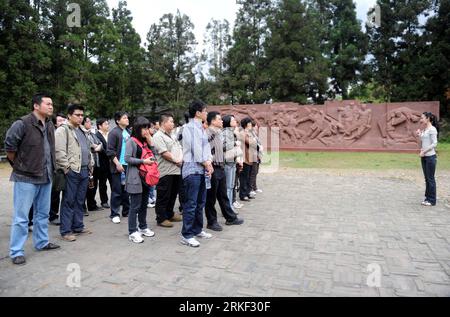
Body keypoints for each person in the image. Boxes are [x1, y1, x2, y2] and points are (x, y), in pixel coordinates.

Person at [5, 93, 61, 265]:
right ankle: (16, 251)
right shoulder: (22, 124)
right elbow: (10, 147)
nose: (51, 107)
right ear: (36, 106)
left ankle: (42, 242)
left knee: (42, 214)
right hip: (26, 177)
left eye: (52, 104)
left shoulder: (50, 124)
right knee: (22, 218)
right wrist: (21, 165)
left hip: (46, 176)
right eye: (48, 104)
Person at [55, 104, 94, 242]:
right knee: (68, 201)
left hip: (84, 170)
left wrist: (90, 165)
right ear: (69, 115)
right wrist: (67, 169)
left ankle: (78, 226)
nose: (80, 117)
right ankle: (66, 230)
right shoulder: (63, 130)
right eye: (77, 115)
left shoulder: (83, 130)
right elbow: (59, 152)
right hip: (72, 171)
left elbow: (87, 149)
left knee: (79, 201)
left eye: (82, 115)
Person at [180, 100, 214, 247]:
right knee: (191, 203)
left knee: (200, 202)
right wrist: (206, 163)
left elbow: (206, 149)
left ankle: (197, 229)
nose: (206, 113)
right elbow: (196, 149)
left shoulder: (201, 129)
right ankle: (187, 234)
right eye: (205, 111)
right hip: (192, 169)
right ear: (198, 113)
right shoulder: (188, 128)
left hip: (202, 169)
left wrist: (209, 162)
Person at [205, 112, 244, 231]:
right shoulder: (208, 134)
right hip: (212, 167)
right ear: (212, 121)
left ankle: (230, 217)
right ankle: (211, 222)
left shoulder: (219, 133)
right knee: (211, 197)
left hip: (220, 166)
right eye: (219, 119)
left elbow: (223, 148)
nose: (222, 121)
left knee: (223, 195)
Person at [125, 117, 156, 243]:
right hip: (135, 178)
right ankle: (132, 231)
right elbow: (127, 159)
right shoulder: (131, 141)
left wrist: (151, 142)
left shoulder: (146, 141)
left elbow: (154, 156)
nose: (146, 131)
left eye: (148, 128)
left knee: (144, 205)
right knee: (135, 206)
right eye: (144, 128)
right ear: (138, 129)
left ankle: (143, 227)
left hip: (146, 178)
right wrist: (143, 161)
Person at [153, 114, 183, 228]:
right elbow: (164, 153)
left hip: (176, 170)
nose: (173, 123)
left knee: (173, 194)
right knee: (163, 195)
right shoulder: (158, 136)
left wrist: (180, 159)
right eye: (170, 121)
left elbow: (179, 148)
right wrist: (177, 161)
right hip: (165, 171)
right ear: (163, 123)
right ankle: (161, 218)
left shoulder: (173, 135)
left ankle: (169, 214)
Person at [107, 111, 131, 224]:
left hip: (128, 165)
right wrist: (117, 164)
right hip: (117, 165)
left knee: (127, 190)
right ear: (118, 120)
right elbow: (110, 151)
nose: (127, 119)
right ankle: (114, 214)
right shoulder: (114, 133)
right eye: (124, 118)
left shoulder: (128, 132)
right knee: (117, 190)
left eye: (127, 117)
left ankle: (127, 211)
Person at [222, 115, 244, 213]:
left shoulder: (231, 132)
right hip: (228, 162)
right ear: (228, 122)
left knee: (231, 186)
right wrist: (235, 144)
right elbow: (223, 146)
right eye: (233, 120)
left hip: (232, 161)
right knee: (228, 187)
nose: (235, 121)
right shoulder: (226, 132)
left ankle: (230, 206)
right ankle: (228, 208)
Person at [417, 112, 439, 207]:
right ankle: (427, 198)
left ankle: (432, 200)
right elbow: (422, 142)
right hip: (424, 157)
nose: (421, 119)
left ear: (428, 119)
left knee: (430, 179)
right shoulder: (425, 129)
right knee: (427, 179)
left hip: (430, 157)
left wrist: (424, 151)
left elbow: (434, 144)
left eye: (422, 118)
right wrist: (419, 135)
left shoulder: (432, 129)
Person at [81, 116, 103, 213]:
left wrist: (97, 147)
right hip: (88, 164)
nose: (90, 124)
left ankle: (92, 204)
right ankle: (82, 207)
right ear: (83, 123)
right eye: (88, 122)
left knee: (93, 185)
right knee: (85, 187)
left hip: (96, 163)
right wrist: (95, 147)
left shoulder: (93, 134)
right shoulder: (82, 134)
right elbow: (89, 146)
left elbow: (100, 144)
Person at [239, 117, 258, 201]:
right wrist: (254, 140)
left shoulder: (249, 133)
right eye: (250, 123)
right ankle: (243, 195)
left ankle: (247, 192)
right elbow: (252, 143)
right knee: (244, 177)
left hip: (250, 158)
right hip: (245, 158)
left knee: (249, 176)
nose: (251, 125)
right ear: (246, 125)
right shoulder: (243, 133)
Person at [95, 118, 112, 209]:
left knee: (114, 182)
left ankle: (116, 199)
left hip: (112, 163)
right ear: (100, 126)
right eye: (105, 124)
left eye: (108, 124)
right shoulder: (96, 135)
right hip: (102, 163)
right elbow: (99, 149)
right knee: (103, 183)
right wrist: (109, 154)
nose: (108, 125)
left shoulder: (110, 135)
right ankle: (104, 201)